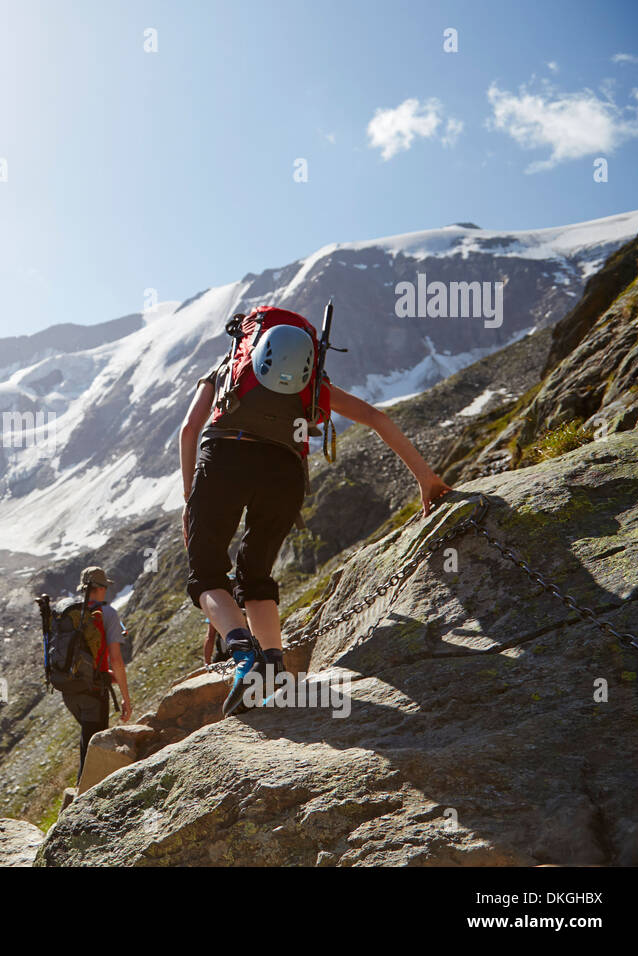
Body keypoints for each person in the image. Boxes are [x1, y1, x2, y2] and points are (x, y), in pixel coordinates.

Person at [179, 307, 451, 717]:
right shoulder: (312, 388)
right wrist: (426, 479)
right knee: (256, 575)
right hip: (285, 471)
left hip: (224, 458)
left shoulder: (227, 371)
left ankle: (242, 653)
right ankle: (273, 664)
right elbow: (376, 418)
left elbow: (189, 429)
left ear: (250, 343)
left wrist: (190, 501)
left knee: (206, 574)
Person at [61, 566, 133, 774]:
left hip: (68, 689)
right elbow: (116, 661)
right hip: (93, 690)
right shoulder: (106, 613)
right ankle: (84, 798)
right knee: (93, 750)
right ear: (100, 588)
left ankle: (80, 794)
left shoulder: (68, 613)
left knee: (88, 741)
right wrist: (126, 699)